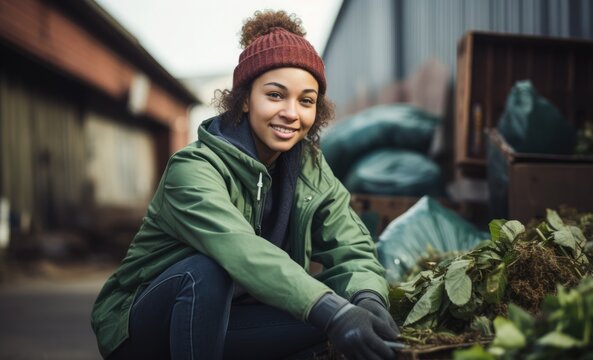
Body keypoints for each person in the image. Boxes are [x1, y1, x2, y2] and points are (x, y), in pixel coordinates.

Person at [91, 9, 399, 360]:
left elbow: (351, 245)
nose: (292, 113)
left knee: (344, 323)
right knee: (207, 271)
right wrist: (333, 311)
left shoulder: (310, 169)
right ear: (245, 99)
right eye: (275, 95)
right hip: (141, 328)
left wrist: (367, 298)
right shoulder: (193, 169)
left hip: (228, 320)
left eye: (306, 101)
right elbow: (240, 250)